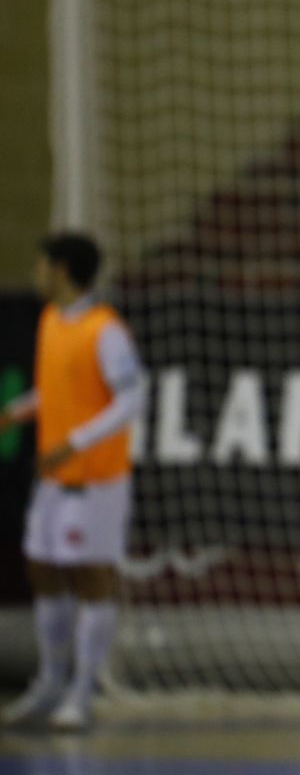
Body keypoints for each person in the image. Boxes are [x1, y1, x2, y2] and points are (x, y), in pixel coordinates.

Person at [1, 233, 148, 731]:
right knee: (42, 569)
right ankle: (50, 681)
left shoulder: (105, 330)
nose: (37, 273)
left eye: (43, 265)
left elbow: (130, 399)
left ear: (62, 270)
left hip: (95, 480)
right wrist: (17, 412)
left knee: (91, 579)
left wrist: (77, 441)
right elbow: (60, 388)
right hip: (53, 476)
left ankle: (83, 691)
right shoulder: (50, 322)